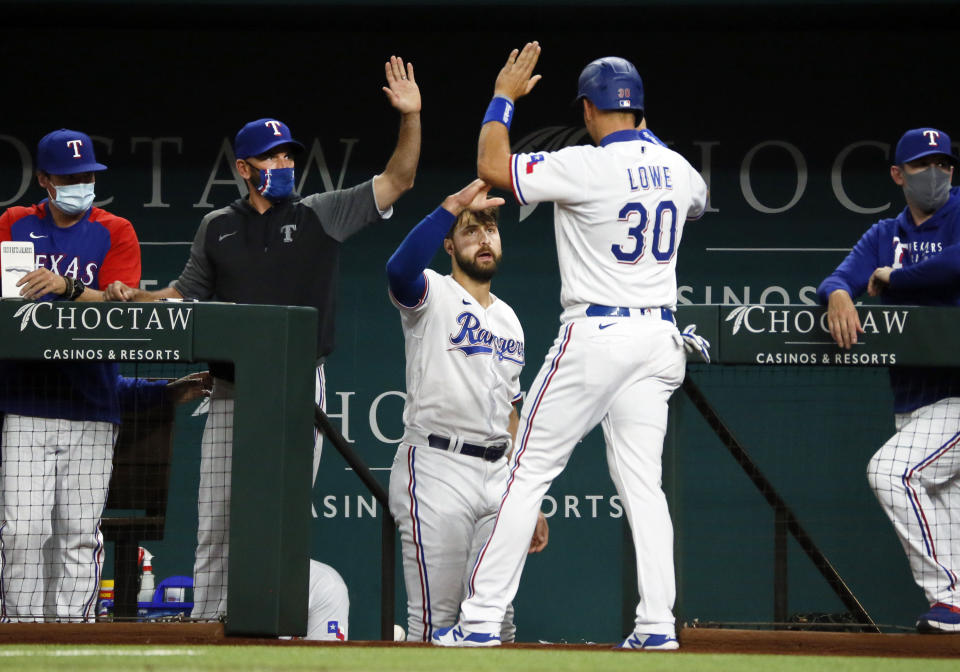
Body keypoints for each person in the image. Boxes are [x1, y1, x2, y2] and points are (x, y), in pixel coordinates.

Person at [104, 56, 422, 621]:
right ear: (244, 168)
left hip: (297, 391)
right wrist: (138, 297)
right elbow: (186, 292)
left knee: (277, 522)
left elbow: (399, 179)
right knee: (215, 526)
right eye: (271, 157)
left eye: (287, 155)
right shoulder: (217, 226)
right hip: (229, 394)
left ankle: (269, 633)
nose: (282, 163)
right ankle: (204, 634)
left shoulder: (324, 213)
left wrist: (410, 117)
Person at [432, 45, 708, 650]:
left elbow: (491, 165)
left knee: (526, 472)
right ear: (640, 110)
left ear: (587, 109)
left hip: (599, 333)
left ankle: (478, 620)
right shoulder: (681, 168)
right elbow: (692, 198)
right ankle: (657, 624)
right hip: (658, 339)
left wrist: (503, 94)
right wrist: (640, 135)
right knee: (644, 485)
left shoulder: (582, 163)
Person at [0, 129, 205, 621]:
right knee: (21, 530)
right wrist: (78, 293)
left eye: (88, 175)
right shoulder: (13, 223)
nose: (81, 184)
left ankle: (74, 633)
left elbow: (120, 308)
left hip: (92, 401)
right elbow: (11, 302)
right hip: (25, 401)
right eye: (70, 177)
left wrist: (66, 287)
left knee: (77, 532)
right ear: (46, 179)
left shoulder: (115, 229)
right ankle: (22, 631)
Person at [385, 179, 549, 642]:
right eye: (470, 230)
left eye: (490, 230)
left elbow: (511, 411)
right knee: (436, 622)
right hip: (438, 466)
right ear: (449, 245)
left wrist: (525, 495)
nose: (483, 238)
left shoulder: (510, 319)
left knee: (495, 620)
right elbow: (398, 269)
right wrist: (450, 206)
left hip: (499, 473)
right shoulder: (431, 294)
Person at [818, 127, 960, 633]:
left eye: (944, 163)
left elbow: (955, 264)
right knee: (947, 517)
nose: (937, 174)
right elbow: (840, 277)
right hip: (913, 399)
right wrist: (837, 294)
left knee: (891, 471)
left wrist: (893, 279)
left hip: (958, 396)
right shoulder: (885, 235)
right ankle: (955, 615)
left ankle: (948, 599)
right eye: (925, 165)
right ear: (899, 175)